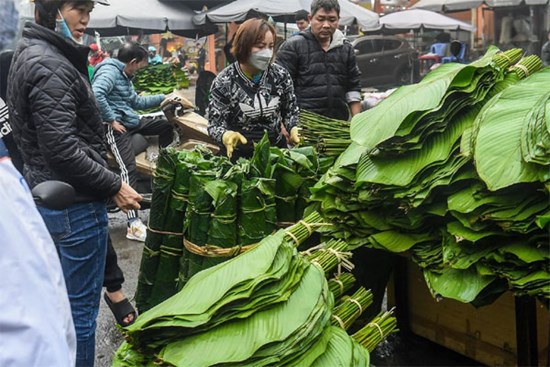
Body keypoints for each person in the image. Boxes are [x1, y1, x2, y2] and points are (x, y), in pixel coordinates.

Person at [6, 1, 142, 366]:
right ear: (51, 10)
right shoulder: (50, 63)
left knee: (61, 307)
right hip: (75, 205)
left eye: (88, 9)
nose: (85, 18)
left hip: (55, 198)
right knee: (79, 316)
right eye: (77, 8)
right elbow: (62, 148)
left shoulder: (36, 52)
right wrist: (114, 184)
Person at [92, 41, 174, 242]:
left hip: (131, 120)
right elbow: (96, 93)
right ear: (133, 62)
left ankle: (159, 165)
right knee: (128, 169)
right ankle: (133, 224)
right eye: (141, 65)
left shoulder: (125, 76)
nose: (140, 69)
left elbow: (137, 102)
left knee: (166, 127)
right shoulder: (110, 72)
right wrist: (111, 120)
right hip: (115, 128)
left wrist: (167, 97)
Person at [207, 18, 300, 160]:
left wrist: (293, 128)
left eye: (270, 46)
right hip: (238, 159)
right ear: (244, 45)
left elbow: (290, 111)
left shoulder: (280, 75)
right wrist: (225, 135)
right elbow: (215, 124)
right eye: (260, 46)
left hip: (275, 155)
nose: (267, 53)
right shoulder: (224, 81)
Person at [276, 0, 362, 121]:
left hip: (337, 123)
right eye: (320, 19)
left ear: (338, 20)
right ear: (310, 18)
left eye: (332, 20)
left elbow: (353, 86)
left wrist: (357, 121)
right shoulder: (293, 47)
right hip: (303, 125)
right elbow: (279, 89)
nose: (326, 25)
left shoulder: (345, 48)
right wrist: (284, 124)